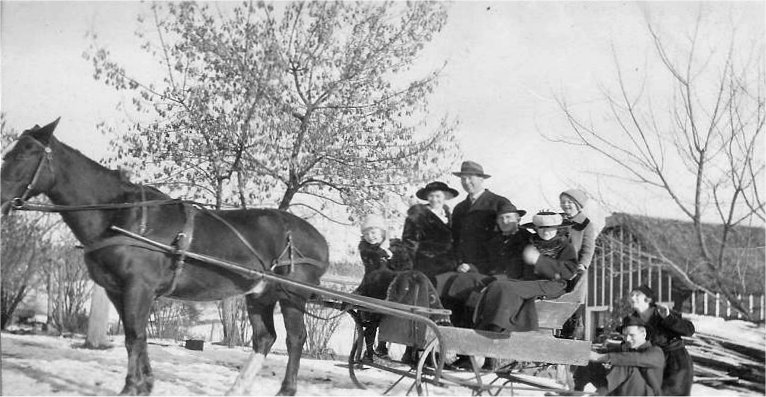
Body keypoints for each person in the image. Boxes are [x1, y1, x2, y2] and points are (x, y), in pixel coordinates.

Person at [474, 211, 580, 333]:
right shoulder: (529, 244)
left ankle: (496, 328)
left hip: (552, 285)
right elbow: (517, 270)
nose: (545, 232)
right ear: (535, 229)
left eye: (550, 228)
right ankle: (485, 325)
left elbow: (568, 272)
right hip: (528, 282)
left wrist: (539, 261)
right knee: (496, 286)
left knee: (505, 288)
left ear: (557, 228)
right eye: (541, 228)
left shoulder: (565, 246)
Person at [355, 214, 412, 362]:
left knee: (389, 317)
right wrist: (384, 254)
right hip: (374, 288)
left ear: (382, 232)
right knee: (371, 321)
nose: (370, 237)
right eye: (366, 234)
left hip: (393, 289)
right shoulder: (368, 251)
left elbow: (405, 267)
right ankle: (368, 352)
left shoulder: (396, 248)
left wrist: (392, 257)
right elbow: (375, 272)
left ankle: (383, 346)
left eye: (373, 232)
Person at [625, 285, 695, 396]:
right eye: (631, 295)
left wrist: (668, 318)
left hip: (675, 363)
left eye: (637, 294)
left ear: (648, 299)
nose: (633, 297)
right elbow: (628, 342)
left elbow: (689, 330)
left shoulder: (662, 312)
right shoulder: (631, 320)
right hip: (650, 363)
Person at [450, 160, 513, 274]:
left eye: (470, 178)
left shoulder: (499, 203)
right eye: (463, 179)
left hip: (491, 269)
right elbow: (456, 240)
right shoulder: (459, 208)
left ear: (481, 179)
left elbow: (509, 239)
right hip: (463, 269)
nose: (466, 182)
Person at [579, 316, 665, 396]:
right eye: (624, 335)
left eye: (632, 335)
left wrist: (599, 357)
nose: (627, 339)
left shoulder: (656, 352)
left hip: (648, 394)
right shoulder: (625, 351)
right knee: (592, 363)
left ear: (643, 334)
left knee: (624, 364)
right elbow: (609, 353)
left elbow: (633, 358)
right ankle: (576, 389)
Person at [401, 181, 460, 285]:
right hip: (427, 266)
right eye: (431, 196)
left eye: (438, 196)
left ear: (445, 197)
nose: (434, 199)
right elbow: (409, 243)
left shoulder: (449, 216)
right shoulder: (417, 216)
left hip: (449, 266)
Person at [559, 189, 599, 339]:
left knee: (574, 297)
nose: (566, 205)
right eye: (563, 202)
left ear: (577, 204)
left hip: (575, 268)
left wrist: (582, 265)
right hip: (557, 268)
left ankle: (574, 329)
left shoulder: (586, 224)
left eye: (569, 202)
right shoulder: (558, 220)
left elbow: (588, 248)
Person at [486, 203, 531, 280]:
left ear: (518, 219)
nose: (504, 221)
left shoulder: (528, 239)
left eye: (508, 217)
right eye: (500, 218)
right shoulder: (493, 242)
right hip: (494, 282)